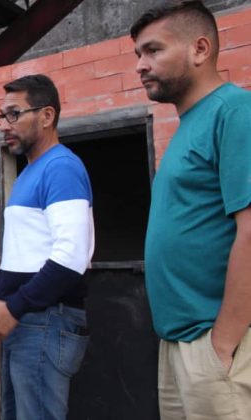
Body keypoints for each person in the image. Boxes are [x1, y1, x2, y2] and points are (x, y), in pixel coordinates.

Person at [131, 2, 251, 418]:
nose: (141, 66)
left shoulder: (234, 111)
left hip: (215, 347)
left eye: (153, 51)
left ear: (200, 50)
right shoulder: (189, 126)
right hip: (179, 343)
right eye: (138, 56)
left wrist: (223, 344)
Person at [0, 74, 94, 420]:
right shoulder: (28, 173)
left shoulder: (61, 167)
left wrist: (15, 306)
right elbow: (25, 251)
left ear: (47, 116)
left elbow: (71, 256)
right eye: (2, 116)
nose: (6, 125)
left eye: (14, 114)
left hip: (44, 320)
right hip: (28, 320)